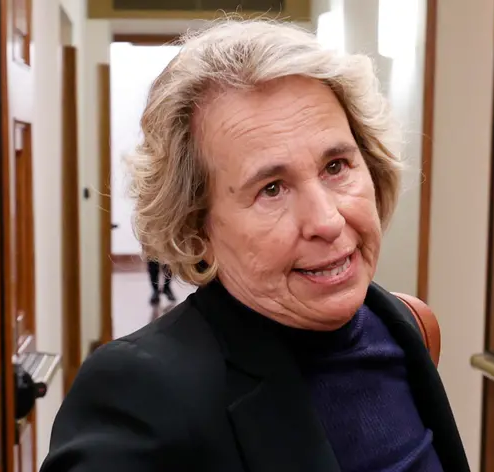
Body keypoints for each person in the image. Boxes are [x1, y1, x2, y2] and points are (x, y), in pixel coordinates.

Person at [41, 18, 470, 472]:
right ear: (196, 229)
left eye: (336, 166)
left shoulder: (403, 324)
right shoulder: (138, 394)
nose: (327, 221)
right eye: (271, 189)